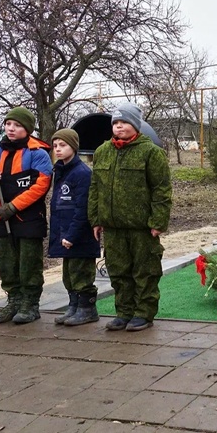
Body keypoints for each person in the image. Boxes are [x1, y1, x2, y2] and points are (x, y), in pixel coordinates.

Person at [88, 102, 171, 331]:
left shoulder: (151, 152)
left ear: (136, 125)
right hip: (113, 227)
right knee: (118, 271)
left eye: (124, 122)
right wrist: (95, 219)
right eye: (115, 123)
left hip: (142, 227)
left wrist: (158, 222)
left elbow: (161, 190)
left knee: (145, 272)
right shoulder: (102, 152)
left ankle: (143, 313)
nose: (119, 127)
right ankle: (123, 312)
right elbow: (95, 187)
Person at [0, 106, 53, 324]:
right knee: (7, 262)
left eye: (17, 125)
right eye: (8, 124)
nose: (11, 129)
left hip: (28, 218)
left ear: (27, 129)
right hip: (2, 218)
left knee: (28, 262)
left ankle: (30, 303)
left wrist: (14, 206)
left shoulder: (37, 153)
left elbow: (41, 185)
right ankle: (13, 300)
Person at [49, 129, 101, 326]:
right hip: (65, 233)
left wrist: (72, 235)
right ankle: (74, 306)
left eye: (63, 145)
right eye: (55, 146)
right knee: (69, 275)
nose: (58, 150)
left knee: (81, 274)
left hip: (79, 236)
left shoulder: (82, 173)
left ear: (74, 147)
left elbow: (82, 209)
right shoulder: (61, 171)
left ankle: (87, 309)